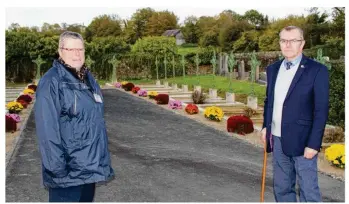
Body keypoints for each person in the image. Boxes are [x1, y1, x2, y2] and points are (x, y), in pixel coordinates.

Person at [34, 31, 114, 202]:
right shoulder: (52, 82)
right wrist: (57, 170)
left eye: (80, 49)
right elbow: (47, 129)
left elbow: (94, 122)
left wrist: (99, 160)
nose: (77, 54)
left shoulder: (87, 78)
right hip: (68, 171)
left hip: (89, 169)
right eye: (71, 49)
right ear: (60, 51)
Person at [260, 26, 329, 202]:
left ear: (302, 43)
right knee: (282, 189)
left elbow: (321, 109)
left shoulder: (317, 70)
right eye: (284, 40)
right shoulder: (273, 69)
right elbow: (270, 101)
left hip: (303, 140)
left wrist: (314, 144)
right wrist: (265, 127)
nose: (288, 45)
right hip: (277, 139)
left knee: (308, 190)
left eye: (293, 40)